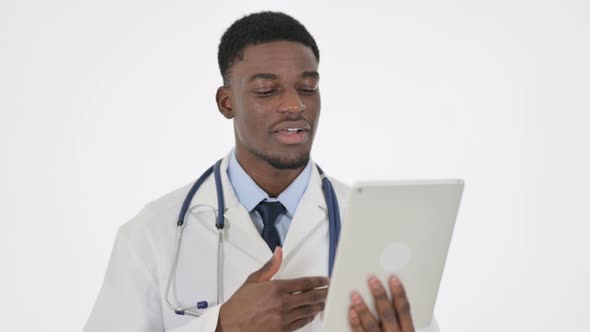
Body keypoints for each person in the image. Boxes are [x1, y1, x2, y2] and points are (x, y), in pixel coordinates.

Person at [85, 11, 440, 332]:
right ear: (227, 103)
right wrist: (221, 327)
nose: (294, 104)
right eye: (267, 90)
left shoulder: (376, 225)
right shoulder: (152, 235)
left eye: (307, 88)